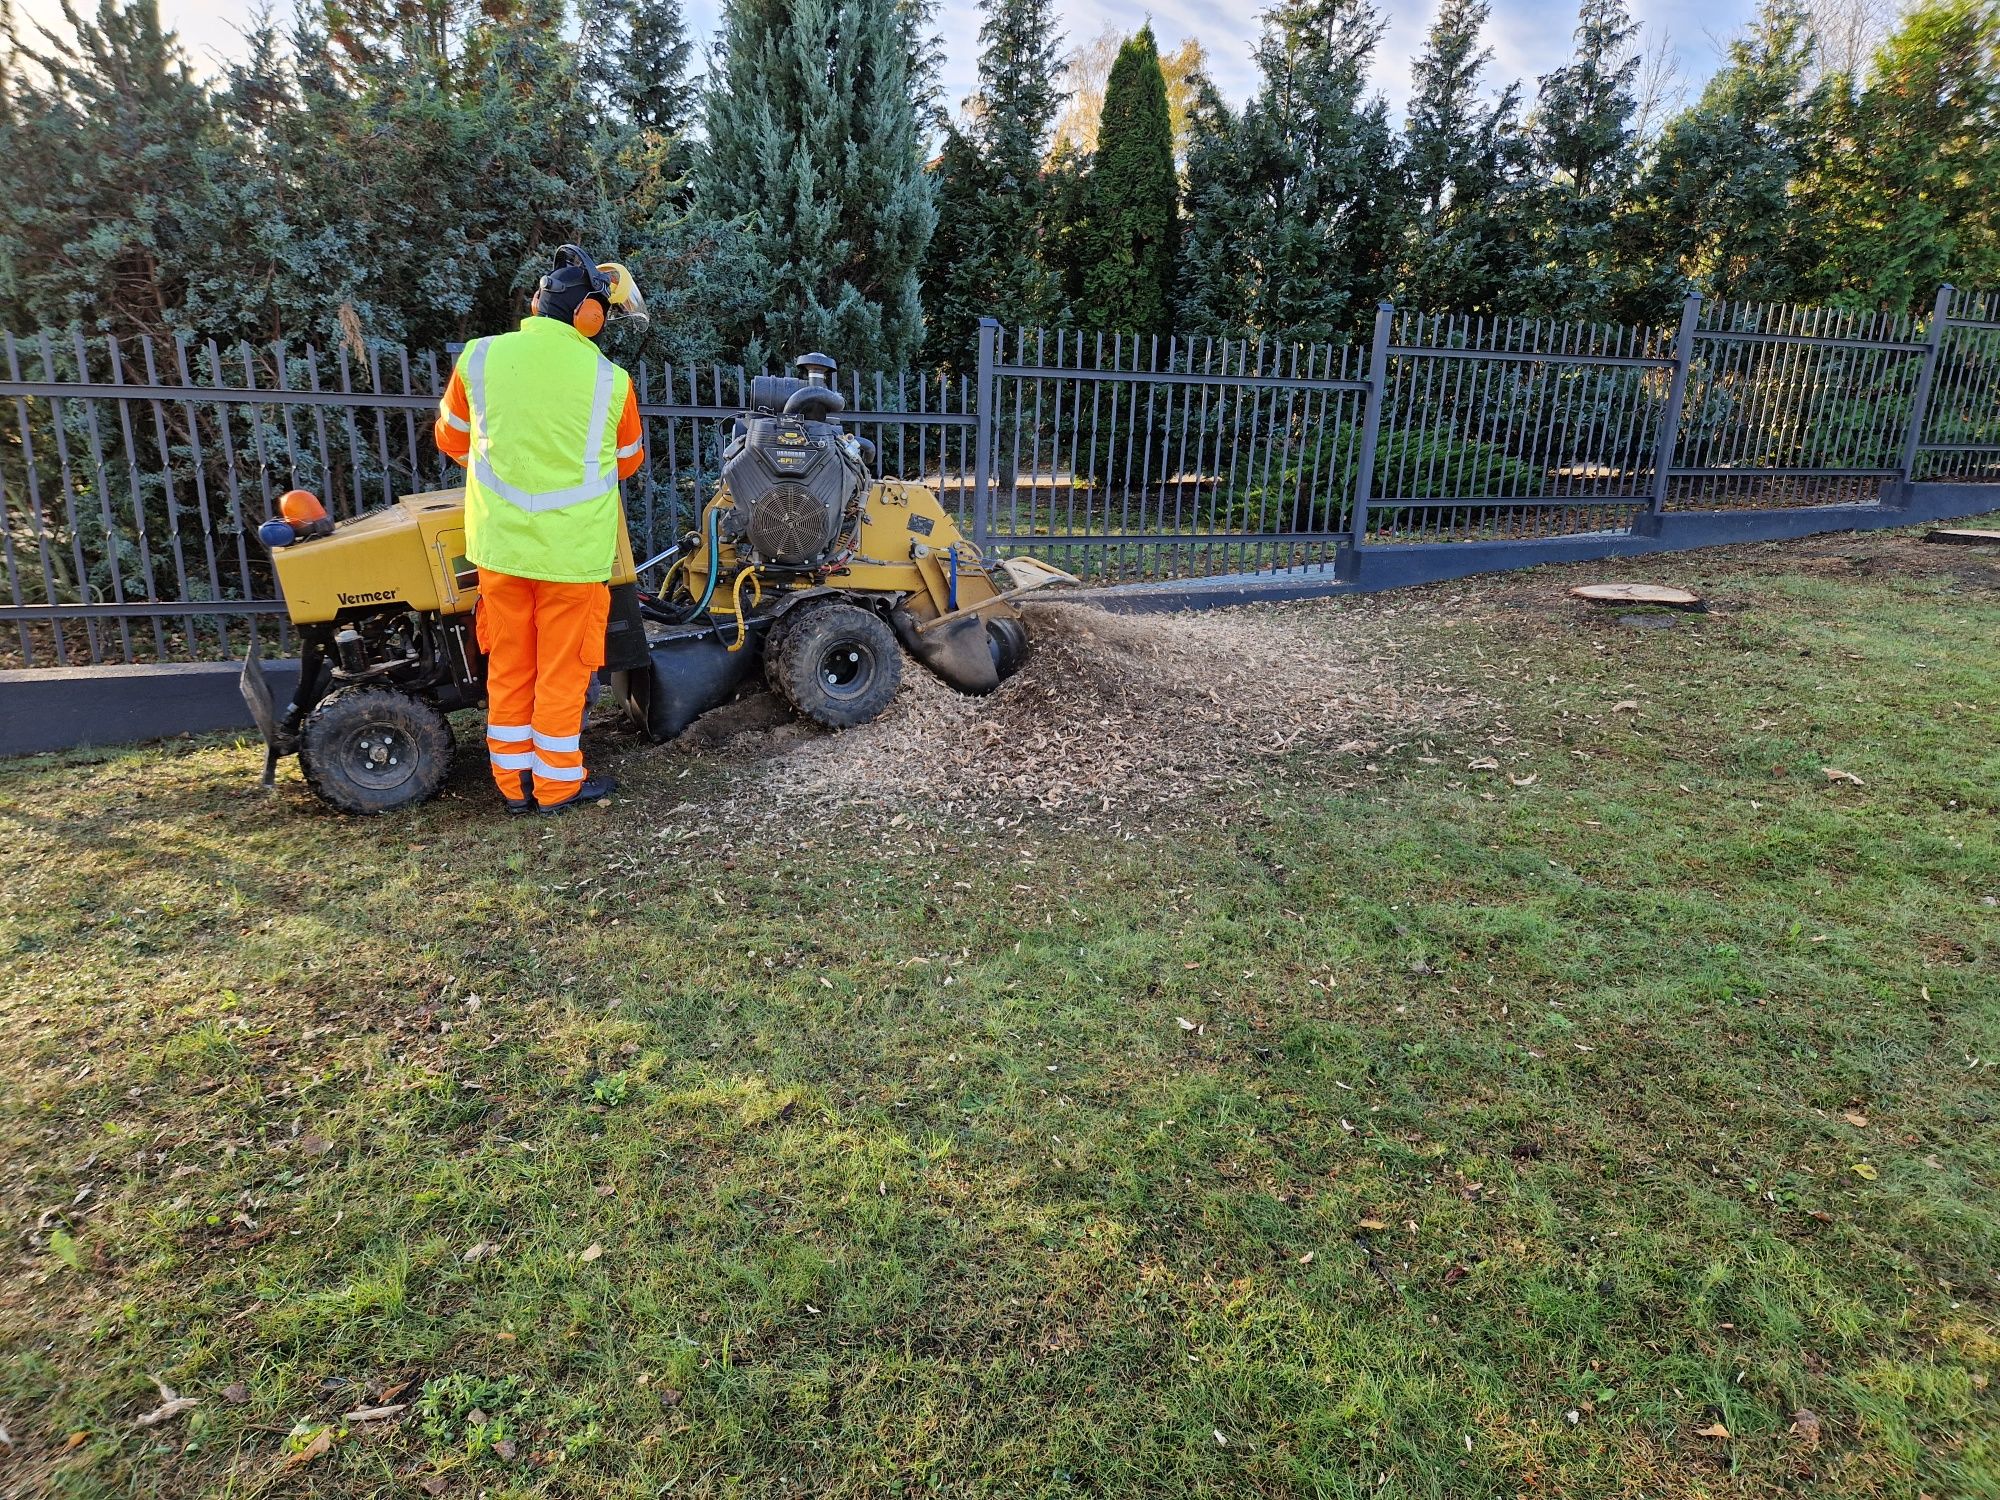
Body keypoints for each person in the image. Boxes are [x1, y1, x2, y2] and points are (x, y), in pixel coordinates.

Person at [434, 245, 648, 814]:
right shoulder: (612, 382)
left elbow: (451, 439)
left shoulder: (478, 359)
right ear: (591, 315)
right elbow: (628, 460)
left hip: (499, 552)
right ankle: (555, 787)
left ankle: (512, 787)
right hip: (572, 559)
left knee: (508, 668)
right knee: (561, 673)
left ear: (537, 302)